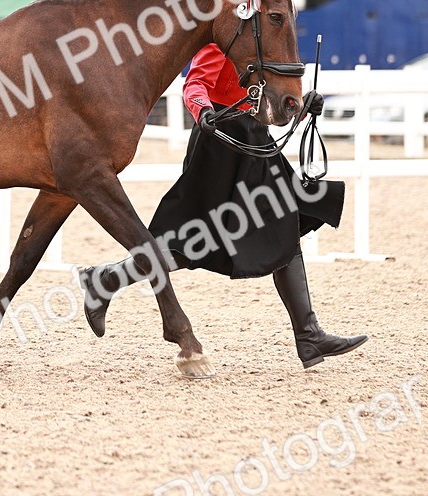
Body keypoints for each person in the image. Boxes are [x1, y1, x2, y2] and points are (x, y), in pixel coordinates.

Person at [78, 43, 368, 368]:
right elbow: (195, 84)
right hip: (220, 143)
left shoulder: (263, 42)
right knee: (193, 242)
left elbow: (268, 103)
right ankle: (107, 279)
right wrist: (203, 111)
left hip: (255, 142)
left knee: (286, 225)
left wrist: (299, 107)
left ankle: (309, 335)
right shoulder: (227, 37)